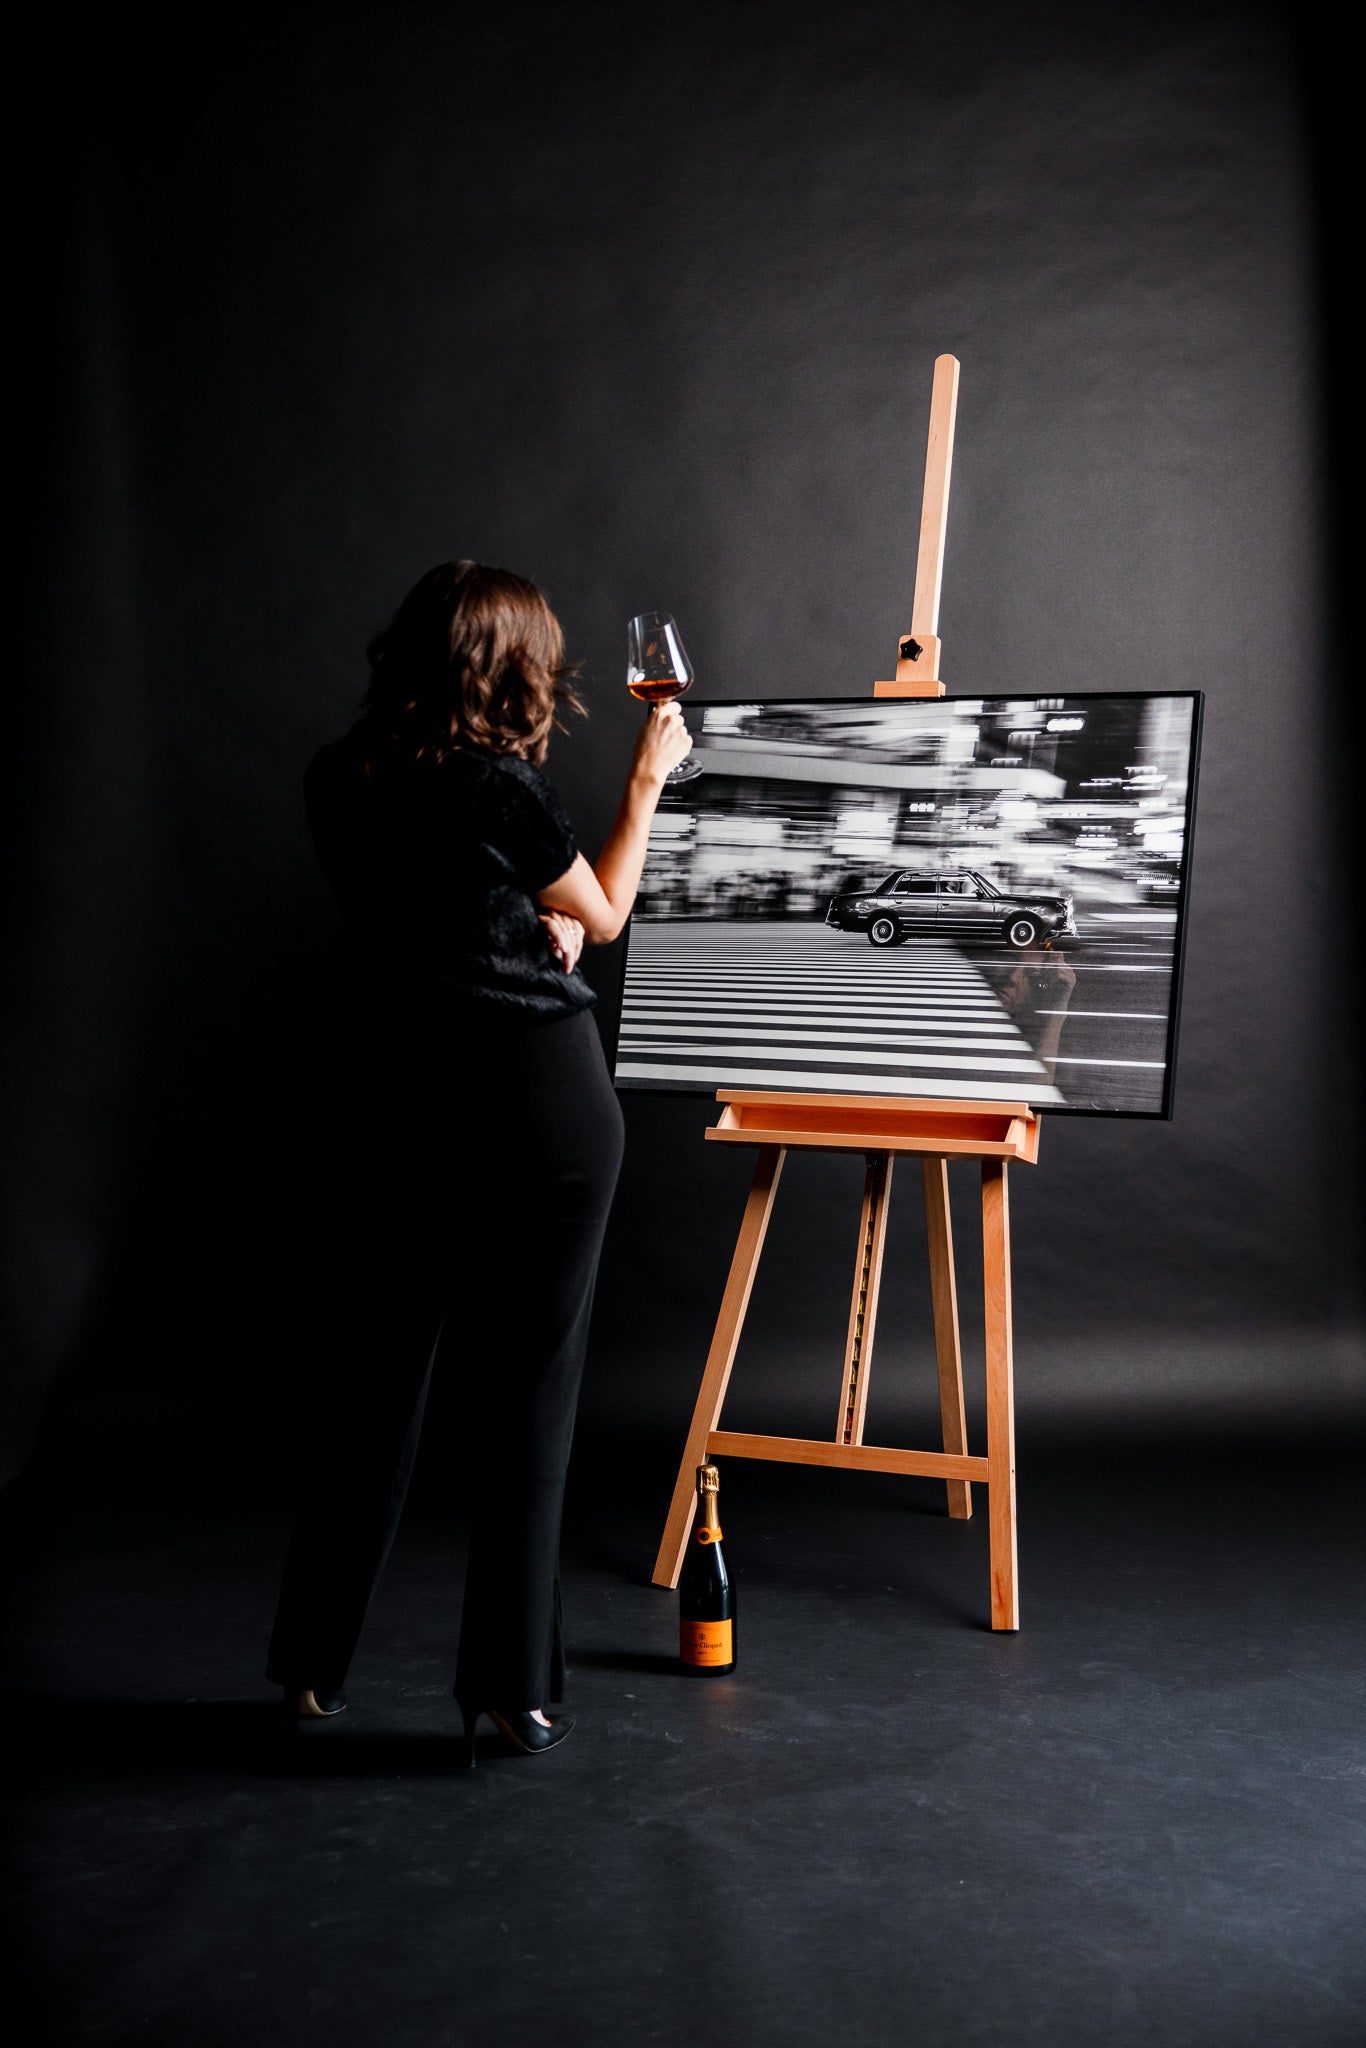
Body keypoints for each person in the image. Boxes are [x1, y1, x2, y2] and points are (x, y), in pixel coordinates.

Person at [265, 560, 691, 1761]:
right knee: (529, 1391)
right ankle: (510, 1689)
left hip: (400, 1102)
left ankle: (307, 1667)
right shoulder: (501, 786)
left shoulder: (335, 776)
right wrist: (646, 787)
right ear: (505, 666)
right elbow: (603, 914)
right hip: (539, 1106)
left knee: (375, 1383)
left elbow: (426, 928)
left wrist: (518, 929)